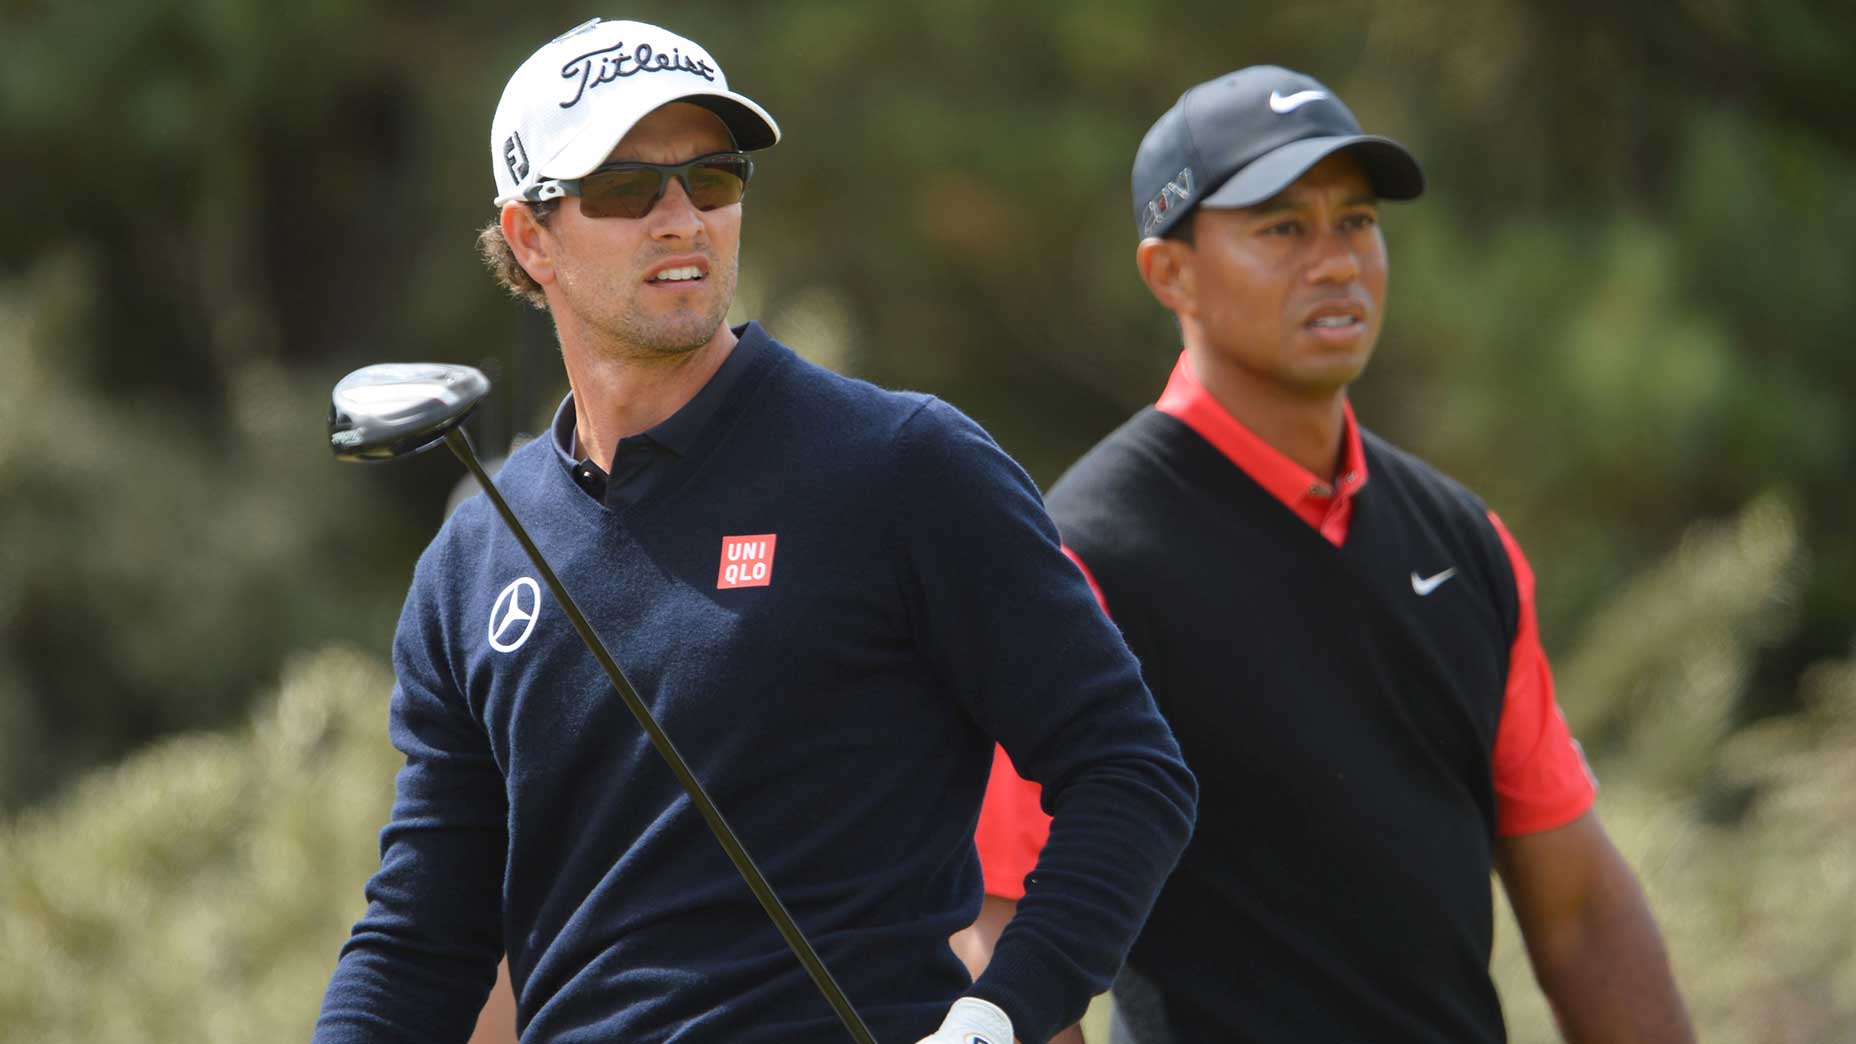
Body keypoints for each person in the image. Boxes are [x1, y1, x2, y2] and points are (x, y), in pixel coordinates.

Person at [313, 18, 1196, 1044]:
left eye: (712, 178)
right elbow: (422, 938)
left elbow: (1129, 771)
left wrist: (1000, 1015)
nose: (681, 219)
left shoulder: (904, 465)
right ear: (529, 238)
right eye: (625, 188)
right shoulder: (471, 562)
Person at [964, 66, 1694, 1043]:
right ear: (1170, 273)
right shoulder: (1086, 562)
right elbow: (1001, 927)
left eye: (1355, 222)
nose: (1337, 262)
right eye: (1282, 228)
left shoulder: (1463, 541)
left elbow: (1581, 914)